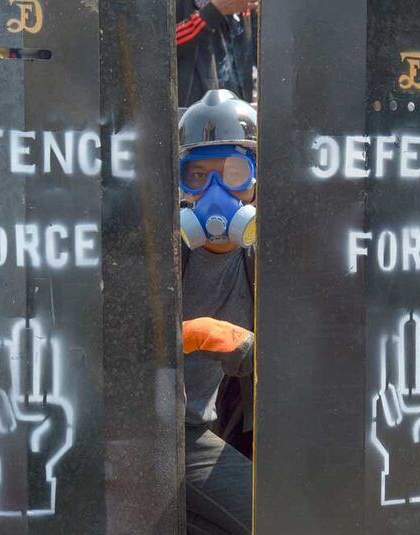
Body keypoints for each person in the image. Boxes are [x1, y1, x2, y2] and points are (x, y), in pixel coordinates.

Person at [179, 89, 257, 534]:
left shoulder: (261, 258)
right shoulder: (159, 254)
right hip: (159, 431)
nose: (215, 190)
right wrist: (197, 333)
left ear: (254, 177)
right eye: (198, 175)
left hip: (203, 427)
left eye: (232, 172)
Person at [176, 0, 258, 107]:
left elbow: (263, 48)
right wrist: (213, 11)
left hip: (239, 105)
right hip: (192, 109)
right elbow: (158, 44)